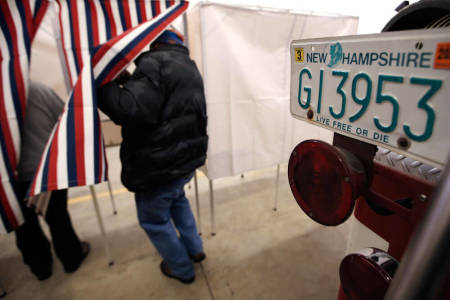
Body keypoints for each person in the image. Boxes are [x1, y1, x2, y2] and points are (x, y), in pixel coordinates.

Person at [97, 28, 208, 284]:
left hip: (158, 166)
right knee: (178, 201)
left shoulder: (152, 63)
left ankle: (181, 269)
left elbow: (129, 109)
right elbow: (163, 103)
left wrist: (104, 85)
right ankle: (195, 248)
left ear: (152, 42)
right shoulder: (188, 65)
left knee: (154, 220)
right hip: (183, 160)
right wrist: (130, 82)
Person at [15, 81, 90, 280]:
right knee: (57, 218)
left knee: (24, 225)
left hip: (10, 176)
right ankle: (71, 259)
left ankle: (41, 268)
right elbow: (65, 117)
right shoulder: (36, 89)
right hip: (44, 169)